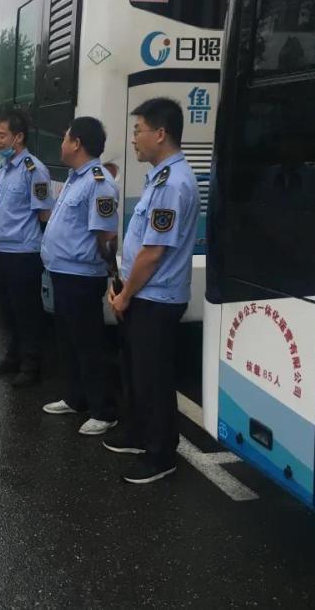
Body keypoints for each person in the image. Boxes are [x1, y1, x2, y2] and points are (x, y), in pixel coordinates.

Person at [106, 98, 199, 484]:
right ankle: (138, 434)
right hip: (144, 293)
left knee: (153, 377)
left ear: (160, 134)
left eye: (137, 131)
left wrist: (125, 294)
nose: (133, 139)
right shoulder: (160, 178)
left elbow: (154, 251)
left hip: (156, 298)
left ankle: (161, 454)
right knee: (136, 370)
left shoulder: (173, 184)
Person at [40, 117, 120, 435]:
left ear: (77, 143)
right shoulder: (76, 178)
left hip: (82, 277)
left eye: (65, 138)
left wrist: (112, 272)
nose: (61, 143)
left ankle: (103, 410)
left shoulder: (99, 182)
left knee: (89, 344)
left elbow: (106, 236)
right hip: (62, 272)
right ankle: (75, 398)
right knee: (68, 341)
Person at [0, 110, 54, 388]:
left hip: (24, 253)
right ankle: (12, 357)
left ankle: (31, 364)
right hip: (3, 250)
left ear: (19, 137)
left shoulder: (33, 170)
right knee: (8, 309)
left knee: (27, 312)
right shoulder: (4, 169)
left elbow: (44, 214)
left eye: (2, 135)